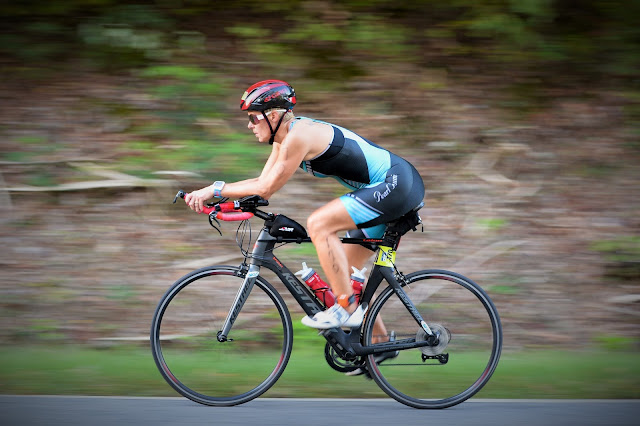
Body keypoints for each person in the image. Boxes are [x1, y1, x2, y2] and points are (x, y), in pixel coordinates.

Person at [185, 79, 425, 341]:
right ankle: (378, 344)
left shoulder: (299, 136)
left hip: (396, 184)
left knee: (319, 224)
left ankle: (345, 308)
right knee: (343, 271)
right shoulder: (283, 139)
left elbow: (266, 188)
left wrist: (214, 189)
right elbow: (261, 184)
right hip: (392, 186)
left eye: (253, 118)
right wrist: (225, 200)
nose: (249, 125)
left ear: (272, 116)